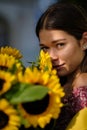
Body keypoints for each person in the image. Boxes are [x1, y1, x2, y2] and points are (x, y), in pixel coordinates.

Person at [35, 2, 87, 130]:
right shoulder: (53, 83)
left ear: (84, 41)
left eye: (60, 45)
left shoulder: (83, 82)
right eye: (44, 48)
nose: (51, 56)